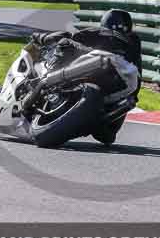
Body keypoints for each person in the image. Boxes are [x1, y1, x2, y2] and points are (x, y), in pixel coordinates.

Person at [31, 9, 142, 145]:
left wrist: (39, 37)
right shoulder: (134, 43)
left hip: (98, 65)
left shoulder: (96, 32)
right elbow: (137, 79)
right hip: (120, 82)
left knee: (65, 42)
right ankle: (100, 120)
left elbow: (66, 36)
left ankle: (49, 75)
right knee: (108, 136)